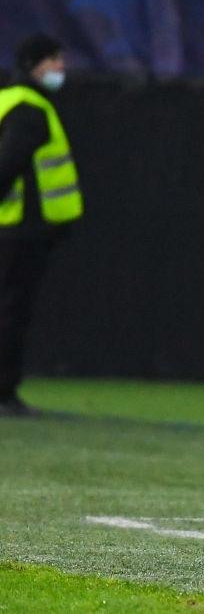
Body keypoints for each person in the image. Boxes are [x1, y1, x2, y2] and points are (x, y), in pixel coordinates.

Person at [0, 34, 83, 416]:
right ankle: (4, 392)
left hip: (11, 227)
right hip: (21, 230)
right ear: (33, 65)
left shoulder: (8, 100)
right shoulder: (31, 109)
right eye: (53, 60)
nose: (60, 67)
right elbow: (9, 165)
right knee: (12, 312)